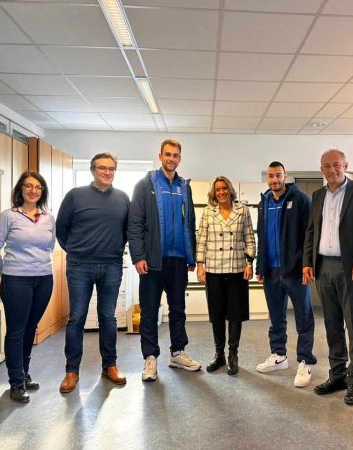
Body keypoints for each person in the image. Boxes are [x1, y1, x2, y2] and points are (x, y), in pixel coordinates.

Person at [303, 149, 353, 405]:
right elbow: (311, 231)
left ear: (346, 165)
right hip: (323, 266)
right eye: (327, 166)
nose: (332, 170)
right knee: (332, 324)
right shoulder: (318, 195)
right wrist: (307, 262)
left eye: (336, 165)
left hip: (350, 268)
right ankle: (337, 375)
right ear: (321, 169)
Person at [128, 139, 201, 382]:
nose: (171, 159)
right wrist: (138, 256)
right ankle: (150, 358)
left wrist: (191, 255)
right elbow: (135, 223)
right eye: (167, 154)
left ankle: (178, 353)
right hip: (152, 260)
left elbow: (189, 222)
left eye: (175, 155)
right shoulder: (146, 184)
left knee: (178, 309)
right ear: (160, 156)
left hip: (178, 260)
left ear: (180, 158)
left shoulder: (184, 186)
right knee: (149, 311)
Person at [56, 153, 130, 393]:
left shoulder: (122, 198)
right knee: (77, 317)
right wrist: (77, 251)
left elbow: (127, 230)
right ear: (92, 170)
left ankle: (110, 366)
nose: (107, 172)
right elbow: (61, 230)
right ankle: (71, 371)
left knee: (108, 317)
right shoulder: (75, 196)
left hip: (111, 265)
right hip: (80, 265)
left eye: (111, 168)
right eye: (102, 168)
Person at [0, 171, 55, 403]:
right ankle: (16, 382)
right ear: (20, 189)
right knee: (16, 330)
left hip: (43, 279)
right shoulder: (9, 216)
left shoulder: (48, 217)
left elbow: (50, 245)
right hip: (16, 280)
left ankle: (24, 373)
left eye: (38, 187)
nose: (33, 190)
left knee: (30, 327)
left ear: (42, 191)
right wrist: (8, 273)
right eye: (28, 186)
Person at [255, 161, 317, 388]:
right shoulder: (264, 202)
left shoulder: (300, 200)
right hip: (271, 270)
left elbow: (310, 234)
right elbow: (262, 236)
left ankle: (305, 361)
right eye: (271, 176)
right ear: (267, 177)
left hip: (295, 270)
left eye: (278, 175)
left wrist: (307, 264)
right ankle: (279, 355)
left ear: (285, 176)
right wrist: (260, 266)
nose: (275, 180)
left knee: (303, 316)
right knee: (276, 316)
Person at [195, 176, 255, 375]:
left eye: (224, 188)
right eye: (217, 189)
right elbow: (201, 240)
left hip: (237, 269)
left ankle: (232, 354)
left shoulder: (242, 210)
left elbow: (249, 238)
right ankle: (219, 354)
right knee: (217, 315)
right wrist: (200, 266)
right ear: (214, 193)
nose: (221, 192)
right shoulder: (208, 212)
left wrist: (249, 262)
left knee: (235, 315)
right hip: (214, 270)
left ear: (230, 190)